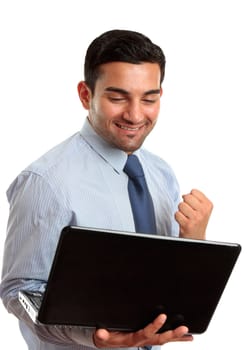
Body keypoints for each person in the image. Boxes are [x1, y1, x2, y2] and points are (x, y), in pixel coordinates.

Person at [0, 29, 213, 350]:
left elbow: (162, 278)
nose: (135, 114)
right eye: (117, 97)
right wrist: (93, 335)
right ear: (86, 95)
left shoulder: (161, 173)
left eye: (149, 98)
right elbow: (20, 291)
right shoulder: (46, 181)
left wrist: (194, 244)